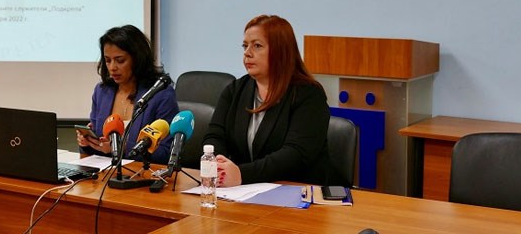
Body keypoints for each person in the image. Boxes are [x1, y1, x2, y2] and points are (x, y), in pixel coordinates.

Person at [203, 14, 341, 187]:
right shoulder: (235, 90)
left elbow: (295, 155)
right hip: (245, 191)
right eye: (245, 46)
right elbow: (215, 136)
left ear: (280, 51)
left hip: (299, 190)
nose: (247, 53)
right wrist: (218, 165)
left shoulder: (308, 94)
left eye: (257, 46)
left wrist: (241, 174)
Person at [77, 25, 178, 165]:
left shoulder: (161, 95)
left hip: (143, 174)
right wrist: (87, 143)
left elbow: (166, 153)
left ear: (137, 59)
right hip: (106, 173)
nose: (112, 67)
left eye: (120, 60)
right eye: (107, 60)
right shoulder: (102, 92)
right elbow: (98, 151)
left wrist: (121, 148)